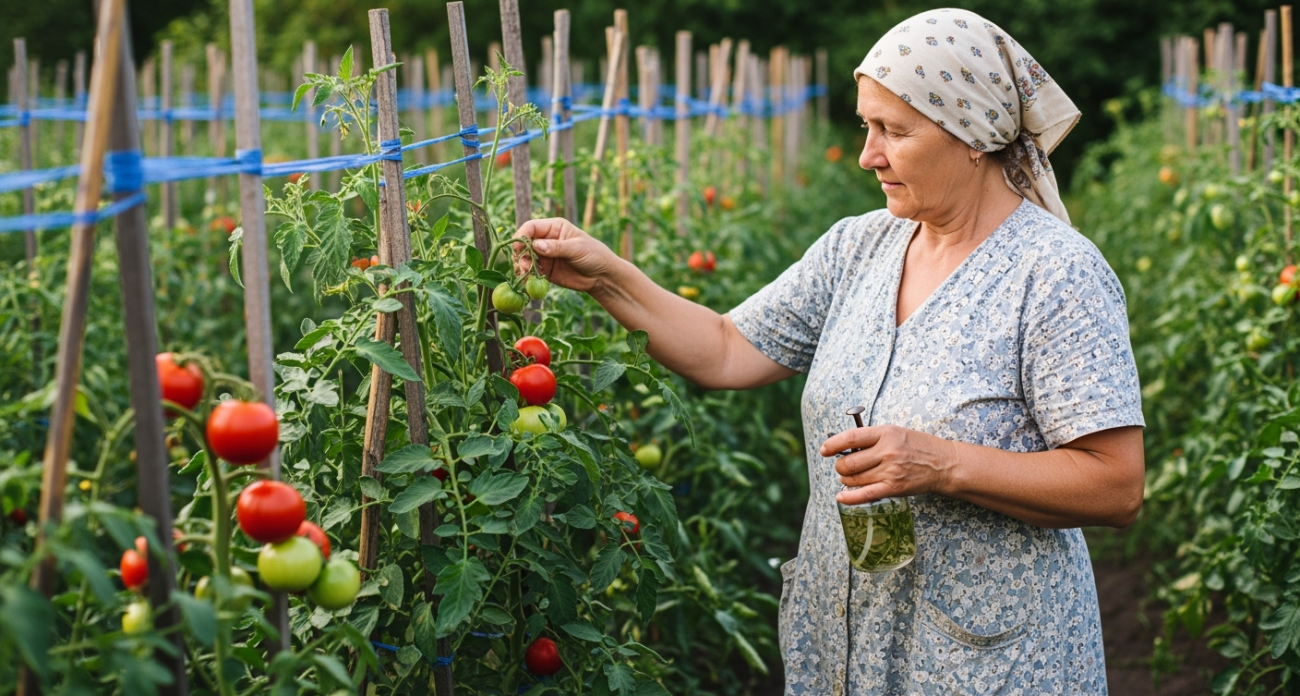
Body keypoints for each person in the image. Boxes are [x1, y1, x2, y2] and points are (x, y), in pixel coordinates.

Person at [514, 8, 1144, 694]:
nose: (869, 153)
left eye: (894, 131)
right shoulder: (861, 247)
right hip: (851, 642)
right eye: (866, 126)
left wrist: (943, 464)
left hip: (992, 660)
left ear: (972, 135)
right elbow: (727, 349)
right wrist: (609, 277)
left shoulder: (1054, 272)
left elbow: (1115, 483)